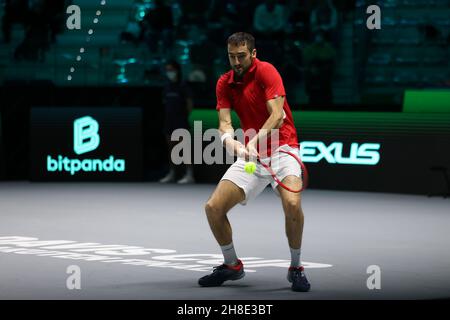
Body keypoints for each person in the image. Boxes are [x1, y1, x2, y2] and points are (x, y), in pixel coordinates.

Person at [198, 32, 310, 292]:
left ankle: (296, 267)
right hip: (253, 157)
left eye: (241, 56)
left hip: (284, 149)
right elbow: (224, 125)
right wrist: (232, 143)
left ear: (253, 54)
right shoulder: (224, 83)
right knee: (213, 208)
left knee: (292, 203)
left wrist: (253, 141)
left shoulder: (266, 71)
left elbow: (277, 116)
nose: (236, 62)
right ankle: (231, 265)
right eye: (231, 57)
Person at [159, 60, 195, 184]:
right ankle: (172, 173)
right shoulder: (166, 87)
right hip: (169, 121)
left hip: (181, 121)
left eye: (172, 70)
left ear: (177, 71)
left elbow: (189, 105)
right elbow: (165, 103)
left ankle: (189, 174)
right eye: (168, 70)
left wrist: (183, 117)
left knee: (184, 148)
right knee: (171, 148)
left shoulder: (183, 86)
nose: (170, 73)